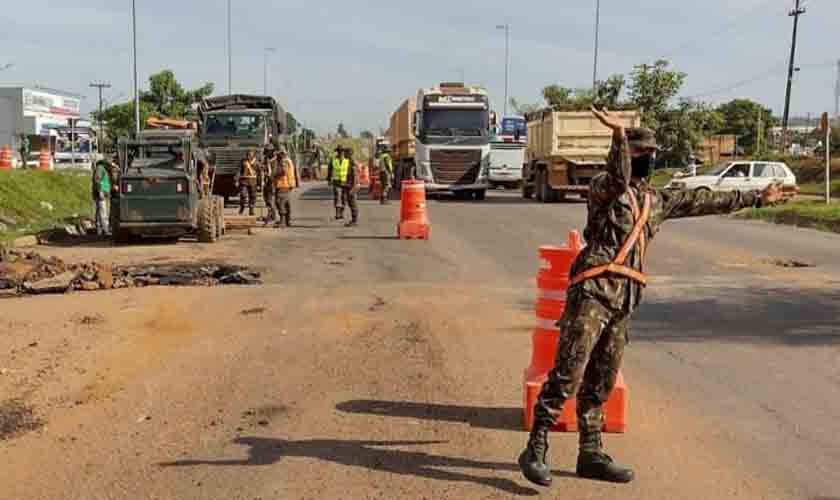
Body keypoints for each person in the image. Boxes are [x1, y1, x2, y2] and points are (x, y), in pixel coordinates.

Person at [517, 107, 784, 487]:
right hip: (593, 291)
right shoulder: (605, 190)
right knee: (569, 372)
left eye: (651, 153)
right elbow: (618, 175)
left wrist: (758, 197)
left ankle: (590, 453)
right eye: (643, 153)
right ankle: (536, 446)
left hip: (625, 298)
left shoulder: (656, 200)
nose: (649, 159)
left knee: (602, 379)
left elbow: (703, 199)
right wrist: (618, 139)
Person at [272, 147, 299, 227]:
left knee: (280, 202)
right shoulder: (288, 160)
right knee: (286, 202)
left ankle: (283, 221)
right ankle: (287, 220)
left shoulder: (284, 162)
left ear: (281, 154)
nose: (276, 157)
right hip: (287, 184)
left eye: (278, 155)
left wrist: (274, 175)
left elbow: (283, 171)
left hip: (283, 184)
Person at [328, 146, 348, 220]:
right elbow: (330, 170)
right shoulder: (333, 160)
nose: (341, 153)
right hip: (336, 181)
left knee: (344, 198)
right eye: (339, 151)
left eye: (342, 151)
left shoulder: (347, 160)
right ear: (337, 152)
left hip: (345, 182)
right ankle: (337, 213)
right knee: (337, 196)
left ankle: (342, 213)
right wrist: (329, 179)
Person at [91, 160, 112, 236]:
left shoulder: (102, 169)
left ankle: (99, 230)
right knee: (103, 212)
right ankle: (105, 230)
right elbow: (97, 180)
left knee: (99, 212)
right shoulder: (100, 168)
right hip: (101, 194)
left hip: (101, 193)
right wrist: (100, 191)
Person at [239, 150, 258, 216]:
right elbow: (239, 170)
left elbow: (260, 171)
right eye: (248, 155)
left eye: (250, 155)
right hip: (244, 181)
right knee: (243, 195)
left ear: (253, 156)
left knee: (252, 196)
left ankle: (251, 209)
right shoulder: (243, 161)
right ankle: (242, 207)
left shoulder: (256, 162)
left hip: (253, 182)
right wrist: (236, 178)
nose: (249, 156)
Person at [263, 147, 278, 223]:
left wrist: (269, 175)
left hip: (272, 183)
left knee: (270, 200)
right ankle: (271, 215)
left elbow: (274, 173)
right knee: (266, 198)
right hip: (266, 182)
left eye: (267, 152)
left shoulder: (275, 161)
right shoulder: (266, 160)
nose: (266, 154)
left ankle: (271, 215)